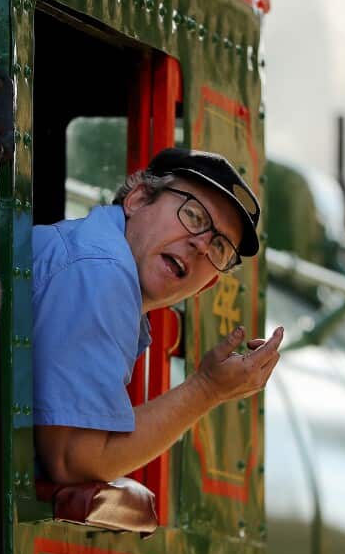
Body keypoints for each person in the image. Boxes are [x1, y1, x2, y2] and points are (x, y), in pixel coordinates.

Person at [32, 147, 284, 484]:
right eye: (194, 215)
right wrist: (206, 390)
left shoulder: (98, 263)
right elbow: (73, 461)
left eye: (220, 247)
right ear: (138, 199)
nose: (201, 244)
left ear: (207, 284)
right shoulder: (103, 272)